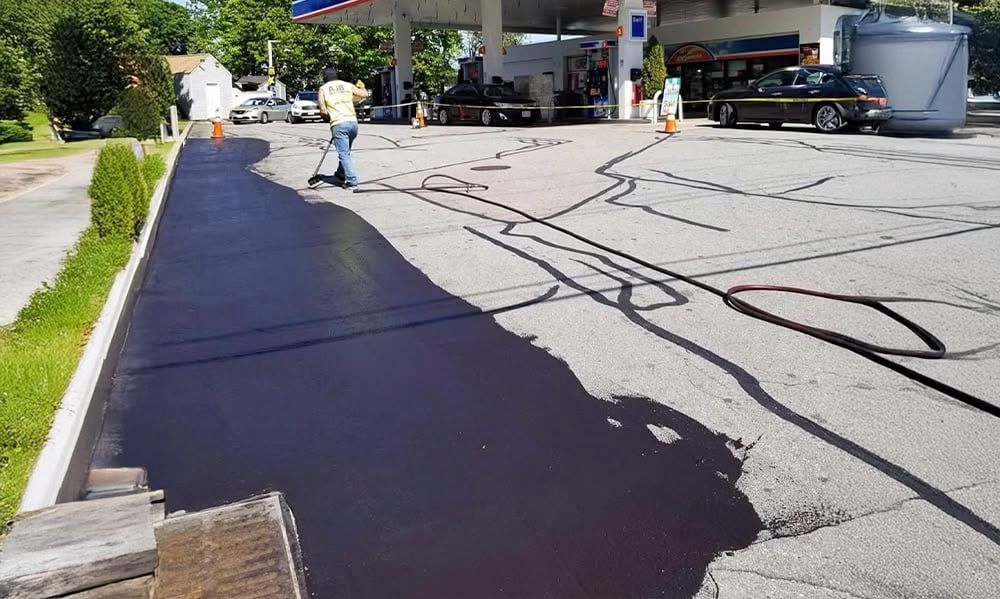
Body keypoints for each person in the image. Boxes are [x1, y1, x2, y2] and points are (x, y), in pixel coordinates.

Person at [318, 66, 370, 192]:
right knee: (346, 152)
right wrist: (362, 86)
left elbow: (323, 110)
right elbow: (365, 94)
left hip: (338, 123)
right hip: (353, 123)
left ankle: (351, 181)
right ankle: (341, 173)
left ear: (324, 78)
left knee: (343, 154)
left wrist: (328, 117)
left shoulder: (323, 89)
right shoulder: (347, 85)